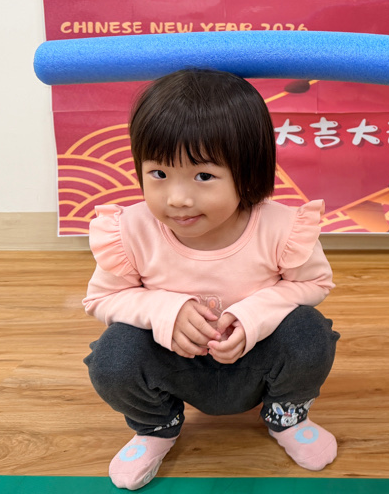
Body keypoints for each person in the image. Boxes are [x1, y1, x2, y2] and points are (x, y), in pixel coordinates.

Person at [83, 68, 339, 490]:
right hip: (174, 363)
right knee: (113, 355)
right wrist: (164, 310)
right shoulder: (130, 229)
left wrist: (255, 315)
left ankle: (286, 416)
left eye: (203, 176)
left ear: (248, 172)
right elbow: (102, 299)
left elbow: (315, 284)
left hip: (255, 360)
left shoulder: (281, 226)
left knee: (310, 334)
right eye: (158, 174)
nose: (177, 198)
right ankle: (155, 427)